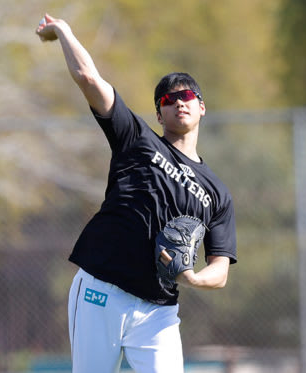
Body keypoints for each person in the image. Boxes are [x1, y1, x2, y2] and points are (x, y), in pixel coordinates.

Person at [36, 14, 237, 373]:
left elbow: (220, 269)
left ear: (202, 107)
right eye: (168, 98)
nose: (179, 102)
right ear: (159, 114)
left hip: (158, 311)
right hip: (102, 291)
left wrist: (192, 278)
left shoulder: (216, 193)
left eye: (188, 95)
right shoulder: (136, 140)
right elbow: (88, 79)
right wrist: (64, 31)